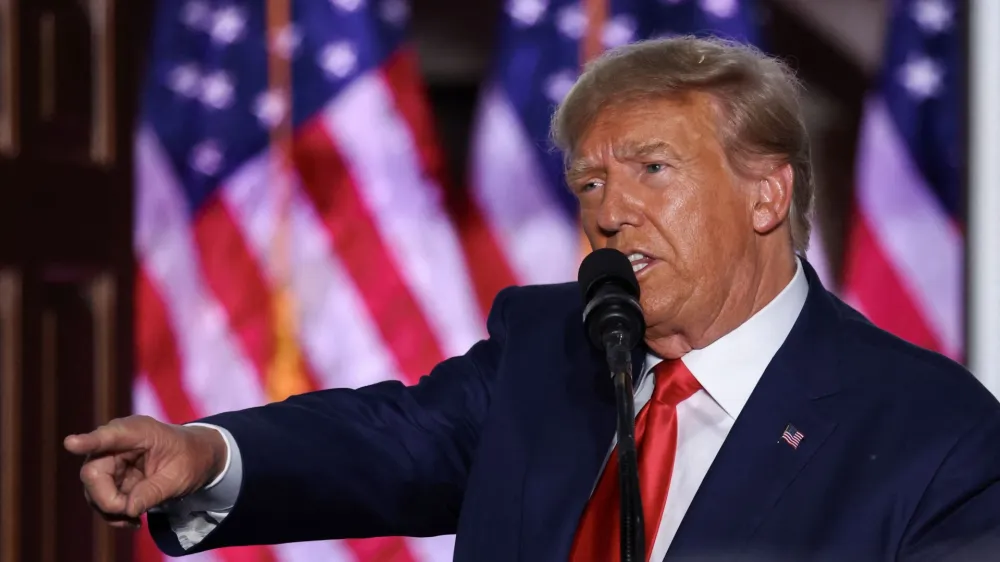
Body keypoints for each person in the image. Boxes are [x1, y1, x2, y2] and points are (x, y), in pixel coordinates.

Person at [66, 36, 1000, 561]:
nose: (610, 212)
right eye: (590, 183)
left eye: (652, 169)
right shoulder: (556, 343)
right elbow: (386, 439)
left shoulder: (933, 433)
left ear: (768, 194)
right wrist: (208, 453)